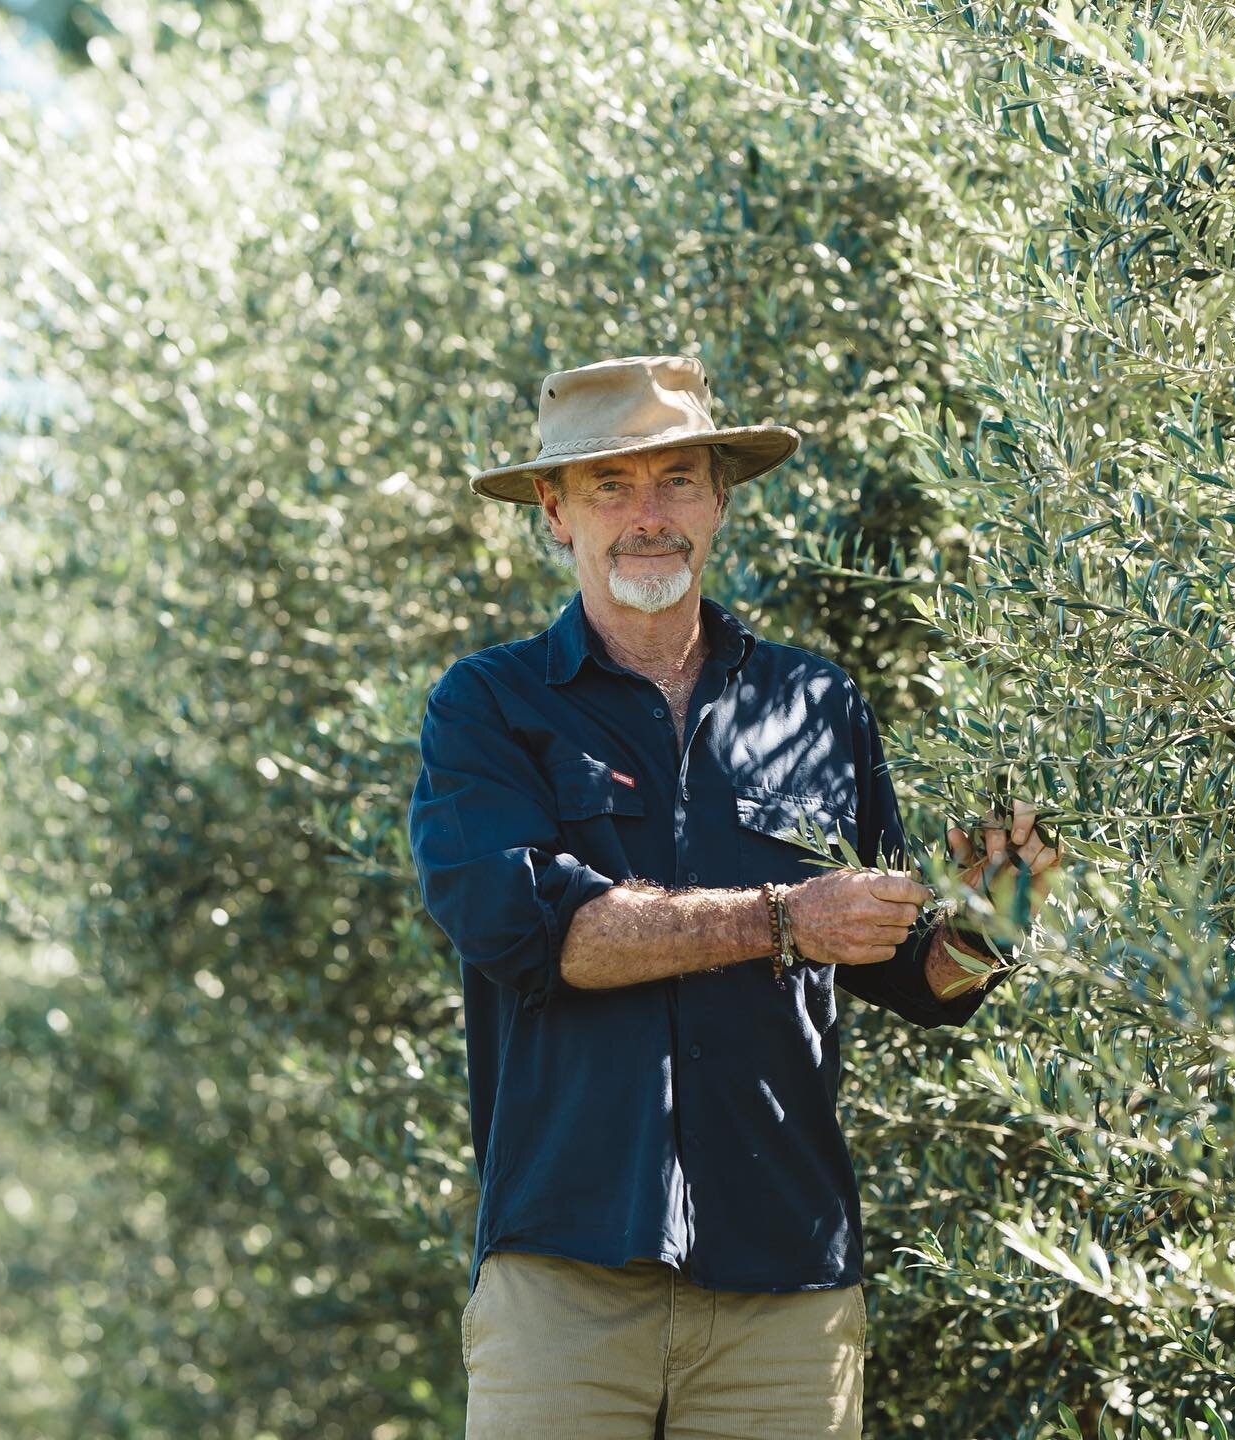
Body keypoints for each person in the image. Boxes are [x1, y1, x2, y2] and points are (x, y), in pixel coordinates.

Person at [408, 354, 1062, 1437]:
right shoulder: (488, 707)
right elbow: (540, 930)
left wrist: (997, 912)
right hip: (564, 1280)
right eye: (610, 486)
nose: (648, 516)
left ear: (719, 500)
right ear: (554, 512)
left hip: (788, 1289)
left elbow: (917, 977)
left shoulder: (817, 703)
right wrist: (784, 920)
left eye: (676, 480)